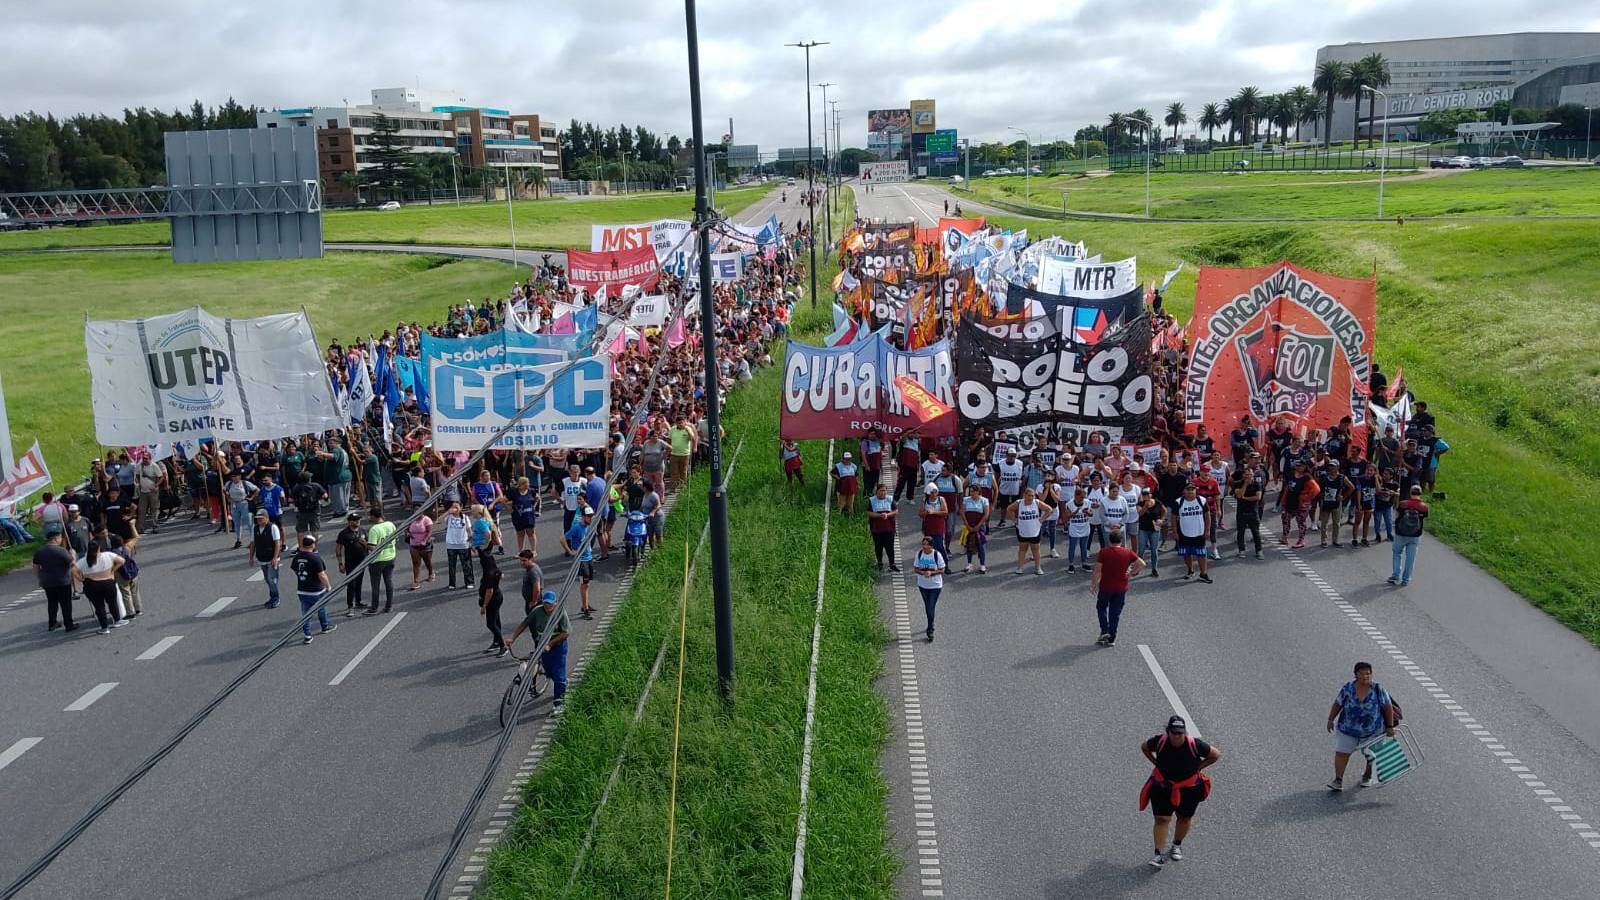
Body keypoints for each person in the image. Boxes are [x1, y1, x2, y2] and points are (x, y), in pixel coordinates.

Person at [1140, 715, 1220, 869]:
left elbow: (1215, 754)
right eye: (1174, 732)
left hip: (1189, 789)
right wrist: (1155, 762)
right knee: (1162, 819)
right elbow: (1144, 747)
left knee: (1184, 818)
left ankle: (1176, 845)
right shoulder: (1159, 742)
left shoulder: (1195, 745)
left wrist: (1199, 767)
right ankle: (1158, 854)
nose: (1177, 736)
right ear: (1168, 732)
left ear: (1184, 732)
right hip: (1163, 786)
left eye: (1180, 733)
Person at [1326, 661, 1396, 791]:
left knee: (1371, 755)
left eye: (1368, 674)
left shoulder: (1378, 689)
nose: (1366, 677)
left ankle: (1368, 775)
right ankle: (1338, 780)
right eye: (1362, 674)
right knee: (1342, 753)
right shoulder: (1348, 688)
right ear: (1355, 675)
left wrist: (1390, 726)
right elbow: (1338, 703)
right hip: (1347, 729)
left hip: (1372, 731)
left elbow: (1387, 707)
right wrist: (1330, 719)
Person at [507, 590, 570, 712]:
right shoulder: (537, 611)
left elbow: (566, 633)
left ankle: (559, 703)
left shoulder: (560, 612)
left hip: (557, 647)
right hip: (542, 646)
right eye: (546, 603)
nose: (548, 606)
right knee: (549, 671)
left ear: (555, 603)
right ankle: (561, 681)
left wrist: (550, 644)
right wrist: (512, 638)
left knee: (558, 674)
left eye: (551, 604)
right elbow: (524, 623)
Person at [1090, 530, 1144, 647]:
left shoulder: (1104, 552)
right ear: (1121, 540)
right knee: (1115, 613)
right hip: (1121, 587)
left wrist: (1094, 584)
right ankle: (1112, 638)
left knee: (1101, 607)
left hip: (1105, 586)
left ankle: (1104, 630)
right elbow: (1142, 563)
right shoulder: (1127, 552)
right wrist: (1131, 574)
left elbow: (1098, 570)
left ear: (1110, 540)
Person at [289, 534, 338, 645]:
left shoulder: (297, 556)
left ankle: (307, 635)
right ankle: (325, 626)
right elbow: (322, 574)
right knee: (321, 608)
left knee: (306, 613)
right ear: (313, 544)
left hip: (302, 589)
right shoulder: (315, 558)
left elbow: (294, 569)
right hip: (316, 589)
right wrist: (328, 586)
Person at [73, 539, 126, 634]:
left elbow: (73, 570)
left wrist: (81, 579)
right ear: (98, 549)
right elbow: (122, 561)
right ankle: (117, 620)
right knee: (112, 603)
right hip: (108, 583)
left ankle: (104, 627)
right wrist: (113, 570)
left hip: (91, 585)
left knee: (99, 607)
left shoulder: (84, 561)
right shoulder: (108, 555)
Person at [33, 531, 76, 632]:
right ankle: (69, 624)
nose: (61, 540)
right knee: (66, 603)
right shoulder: (61, 551)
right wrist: (73, 554)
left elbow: (35, 568)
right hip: (63, 581)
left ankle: (52, 623)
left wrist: (40, 579)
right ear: (56, 538)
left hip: (48, 582)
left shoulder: (39, 551)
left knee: (52, 602)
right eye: (60, 538)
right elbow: (72, 563)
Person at [1008, 485, 1054, 575]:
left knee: (1035, 549)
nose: (1031, 497)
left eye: (1033, 495)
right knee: (1022, 549)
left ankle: (1038, 568)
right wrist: (1014, 520)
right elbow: (1009, 509)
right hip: (1022, 530)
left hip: (1035, 530)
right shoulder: (1019, 503)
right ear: (1024, 495)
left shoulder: (1037, 502)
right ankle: (1020, 567)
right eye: (1029, 495)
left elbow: (1049, 509)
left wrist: (1041, 520)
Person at [1388, 486, 1429, 587]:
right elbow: (1424, 518)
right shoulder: (1424, 507)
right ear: (1420, 493)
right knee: (1411, 558)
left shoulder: (1403, 504)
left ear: (1410, 493)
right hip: (1415, 535)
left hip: (1400, 533)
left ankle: (1396, 575)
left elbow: (1397, 515)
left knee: (1397, 553)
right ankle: (1405, 579)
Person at [562, 506, 598, 619]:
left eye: (592, 516)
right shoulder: (577, 528)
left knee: (587, 584)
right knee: (584, 585)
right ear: (583, 517)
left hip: (589, 558)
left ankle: (586, 604)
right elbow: (563, 539)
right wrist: (570, 552)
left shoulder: (589, 526)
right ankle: (585, 609)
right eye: (589, 517)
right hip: (581, 561)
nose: (591, 518)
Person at [1175, 483, 1212, 583]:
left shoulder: (1202, 500)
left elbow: (1208, 516)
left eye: (1192, 489)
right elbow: (1173, 518)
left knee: (1201, 554)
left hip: (1199, 532)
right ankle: (1190, 570)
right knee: (1186, 553)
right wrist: (1175, 532)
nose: (1190, 491)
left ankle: (1203, 573)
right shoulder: (1179, 502)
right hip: (1184, 532)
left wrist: (1207, 530)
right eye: (1188, 489)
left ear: (1196, 490)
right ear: (1184, 491)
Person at [364, 506, 398, 615]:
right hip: (390, 557)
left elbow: (372, 547)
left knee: (375, 585)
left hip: (377, 560)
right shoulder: (390, 525)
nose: (369, 518)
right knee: (388, 581)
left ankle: (374, 607)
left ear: (374, 516)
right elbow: (396, 539)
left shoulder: (374, 529)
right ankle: (389, 606)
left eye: (370, 516)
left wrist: (364, 542)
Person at [334, 512, 368, 615]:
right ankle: (350, 605)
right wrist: (340, 563)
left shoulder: (362, 531)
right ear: (349, 522)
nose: (357, 522)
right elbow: (338, 548)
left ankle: (358, 601)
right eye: (355, 520)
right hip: (350, 562)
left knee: (359, 582)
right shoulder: (344, 533)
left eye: (358, 519)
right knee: (351, 584)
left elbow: (369, 545)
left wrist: (365, 543)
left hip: (362, 561)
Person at [913, 536, 946, 642]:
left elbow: (942, 570)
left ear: (931, 545)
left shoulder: (937, 555)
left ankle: (930, 628)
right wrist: (923, 573)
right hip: (922, 585)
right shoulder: (919, 554)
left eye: (927, 544)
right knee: (927, 606)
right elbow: (916, 569)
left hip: (935, 585)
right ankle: (930, 622)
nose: (924, 546)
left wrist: (932, 573)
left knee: (931, 606)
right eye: (923, 544)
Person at [248, 508, 282, 609]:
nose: (259, 521)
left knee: (272, 580)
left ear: (267, 518)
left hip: (272, 558)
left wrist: (275, 558)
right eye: (257, 519)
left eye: (261, 518)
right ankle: (272, 597)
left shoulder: (273, 527)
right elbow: (253, 543)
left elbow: (277, 543)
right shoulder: (255, 528)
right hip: (261, 558)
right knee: (267, 579)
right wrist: (251, 557)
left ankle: (275, 598)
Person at [478, 552, 509, 656]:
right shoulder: (496, 570)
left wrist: (484, 605)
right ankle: (496, 642)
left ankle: (502, 645)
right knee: (496, 620)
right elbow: (502, 576)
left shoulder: (489, 574)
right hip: (498, 596)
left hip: (492, 599)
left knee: (490, 623)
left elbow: (489, 591)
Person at [867, 483, 901, 572]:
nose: (883, 493)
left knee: (890, 547)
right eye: (881, 490)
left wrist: (887, 514)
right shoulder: (872, 500)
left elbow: (895, 511)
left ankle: (892, 564)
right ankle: (879, 563)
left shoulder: (890, 499)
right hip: (876, 529)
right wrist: (879, 515)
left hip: (889, 528)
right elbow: (869, 513)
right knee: (878, 547)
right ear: (877, 491)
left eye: (884, 491)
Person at [1232, 467, 1264, 559]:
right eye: (1246, 474)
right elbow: (1239, 495)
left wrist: (1245, 498)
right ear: (1243, 475)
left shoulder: (1257, 484)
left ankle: (1259, 550)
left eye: (1249, 474)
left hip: (1253, 512)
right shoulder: (1239, 484)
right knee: (1241, 532)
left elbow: (1258, 497)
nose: (1248, 476)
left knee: (1256, 532)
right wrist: (1245, 484)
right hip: (1241, 512)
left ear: (1253, 474)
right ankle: (1241, 550)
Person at [959, 482, 991, 574]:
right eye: (970, 491)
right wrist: (967, 525)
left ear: (978, 492)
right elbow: (962, 512)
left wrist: (978, 526)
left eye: (973, 491)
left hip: (979, 526)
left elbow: (986, 514)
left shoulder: (984, 500)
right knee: (969, 544)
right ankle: (969, 563)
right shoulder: (966, 500)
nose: (971, 493)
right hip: (969, 526)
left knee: (981, 545)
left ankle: (982, 564)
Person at [443, 502, 475, 590]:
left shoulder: (465, 518)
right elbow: (438, 520)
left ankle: (469, 582)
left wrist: (471, 544)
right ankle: (452, 583)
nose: (454, 509)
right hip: (451, 545)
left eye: (456, 507)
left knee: (467, 565)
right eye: (453, 507)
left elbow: (469, 531)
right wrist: (448, 512)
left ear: (461, 508)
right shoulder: (449, 517)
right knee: (451, 565)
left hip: (463, 544)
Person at [224, 470, 259, 549]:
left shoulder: (245, 483)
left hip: (244, 503)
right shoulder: (229, 484)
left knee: (249, 522)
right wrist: (228, 498)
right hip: (234, 504)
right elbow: (224, 490)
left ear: (239, 476)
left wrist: (251, 498)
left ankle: (253, 540)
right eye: (232, 476)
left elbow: (257, 489)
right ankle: (238, 540)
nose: (234, 478)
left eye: (236, 476)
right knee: (237, 523)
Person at [1063, 486, 1094, 574]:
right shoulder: (1069, 504)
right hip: (1074, 528)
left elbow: (1091, 514)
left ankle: (1084, 563)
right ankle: (1071, 564)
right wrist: (1076, 511)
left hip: (1085, 527)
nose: (1082, 500)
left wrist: (1087, 512)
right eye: (1080, 498)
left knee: (1083, 547)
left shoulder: (1087, 502)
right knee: (1072, 547)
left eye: (1083, 497)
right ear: (1076, 496)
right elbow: (1067, 516)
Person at [919, 483, 950, 568]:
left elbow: (945, 512)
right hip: (928, 527)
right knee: (930, 546)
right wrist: (926, 512)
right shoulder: (925, 500)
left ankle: (945, 565)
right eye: (932, 492)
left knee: (940, 546)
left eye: (936, 492)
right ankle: (932, 564)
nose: (934, 494)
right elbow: (920, 513)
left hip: (939, 526)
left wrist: (934, 512)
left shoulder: (941, 499)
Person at [1136, 491, 1164, 577]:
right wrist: (1145, 506)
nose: (1146, 496)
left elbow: (1164, 510)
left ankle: (1154, 569)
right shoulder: (1139, 504)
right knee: (1141, 550)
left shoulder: (1157, 502)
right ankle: (1138, 568)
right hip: (1143, 529)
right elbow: (1140, 514)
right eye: (1144, 495)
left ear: (1151, 495)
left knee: (1154, 550)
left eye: (1147, 494)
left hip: (1154, 529)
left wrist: (1162, 519)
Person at [406, 506, 435, 590]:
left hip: (425, 545)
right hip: (414, 544)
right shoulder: (411, 519)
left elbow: (429, 532)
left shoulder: (426, 520)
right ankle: (416, 581)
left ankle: (431, 573)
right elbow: (406, 529)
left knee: (427, 561)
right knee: (416, 563)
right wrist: (408, 534)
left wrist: (425, 540)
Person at [995, 448, 1024, 528]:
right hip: (1004, 488)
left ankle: (1016, 521)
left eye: (1013, 455)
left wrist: (1022, 489)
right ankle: (1002, 520)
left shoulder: (1020, 464)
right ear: (1006, 455)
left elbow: (1023, 477)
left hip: (1016, 488)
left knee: (1016, 506)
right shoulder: (1000, 463)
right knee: (1003, 506)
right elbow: (996, 476)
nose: (1011, 457)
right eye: (1010, 455)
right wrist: (996, 488)